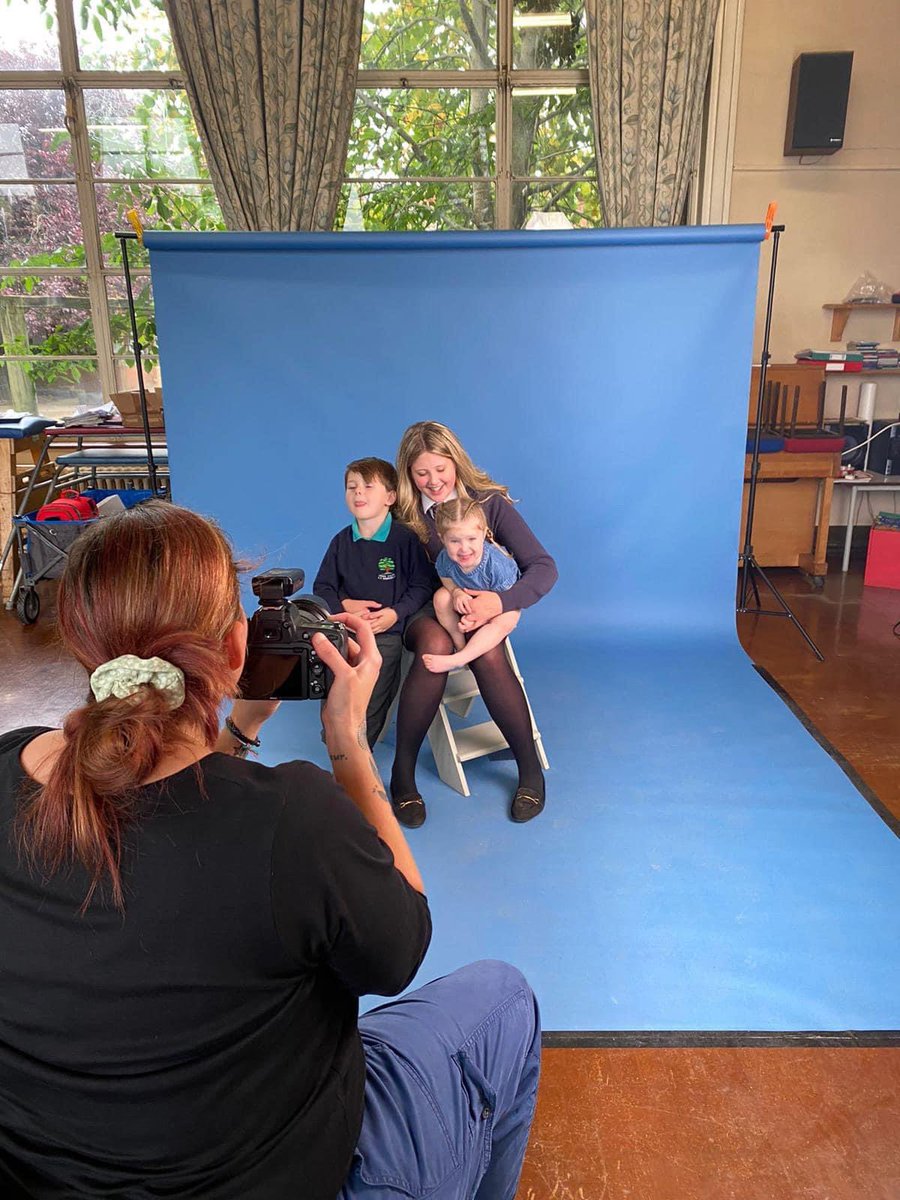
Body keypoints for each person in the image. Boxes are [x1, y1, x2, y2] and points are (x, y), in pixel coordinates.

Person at [0, 501, 540, 1200]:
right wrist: (349, 751)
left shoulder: (10, 766)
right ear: (235, 651)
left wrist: (238, 730)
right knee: (504, 999)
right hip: (288, 1173)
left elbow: (170, 815)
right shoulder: (292, 819)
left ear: (80, 647)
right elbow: (402, 944)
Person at [391, 421, 558, 828]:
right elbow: (391, 575)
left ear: (456, 462)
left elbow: (543, 568)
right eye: (421, 472)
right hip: (425, 608)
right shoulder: (403, 514)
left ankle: (529, 770)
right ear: (408, 474)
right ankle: (402, 775)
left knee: (489, 653)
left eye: (440, 469)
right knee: (435, 645)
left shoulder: (489, 505)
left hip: (482, 604)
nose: (432, 481)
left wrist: (499, 602)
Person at [313, 457, 437, 747]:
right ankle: (336, 743)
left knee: (373, 698)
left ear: (390, 497)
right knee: (335, 694)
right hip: (345, 634)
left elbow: (422, 585)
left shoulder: (404, 540)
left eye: (368, 486)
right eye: (352, 487)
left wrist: (396, 613)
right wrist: (345, 606)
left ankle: (359, 750)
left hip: (386, 636)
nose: (359, 493)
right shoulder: (341, 542)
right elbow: (324, 586)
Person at [424, 497, 521, 674]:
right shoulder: (445, 558)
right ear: (442, 539)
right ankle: (459, 644)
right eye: (454, 541)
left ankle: (460, 658)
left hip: (500, 601)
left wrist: (480, 617)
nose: (464, 548)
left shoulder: (496, 564)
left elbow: (508, 598)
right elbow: (444, 575)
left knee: (505, 620)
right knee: (441, 597)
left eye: (471, 539)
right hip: (468, 598)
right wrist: (456, 592)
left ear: (483, 533)